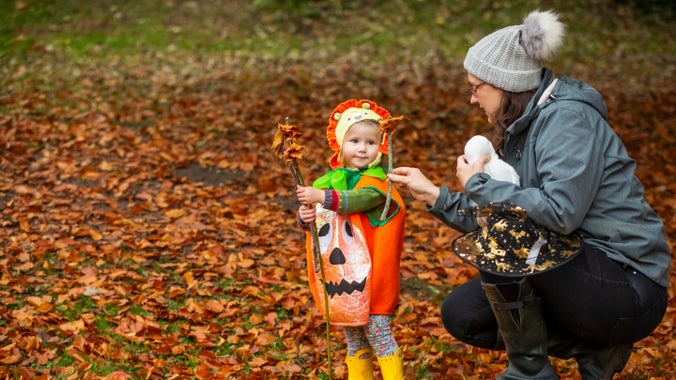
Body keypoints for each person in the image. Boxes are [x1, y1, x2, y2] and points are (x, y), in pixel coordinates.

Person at [388, 10, 669, 380]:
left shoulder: (567, 119)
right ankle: (594, 346)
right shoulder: (522, 128)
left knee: (508, 241)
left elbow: (560, 213)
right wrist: (436, 196)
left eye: (476, 87)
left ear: (504, 84)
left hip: (627, 284)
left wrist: (479, 186)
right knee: (464, 316)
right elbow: (507, 218)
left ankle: (530, 372)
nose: (472, 99)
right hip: (570, 267)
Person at [296, 99, 406, 380]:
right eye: (354, 140)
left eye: (370, 142)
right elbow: (320, 222)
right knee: (354, 338)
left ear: (379, 147)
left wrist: (323, 198)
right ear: (340, 144)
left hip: (373, 278)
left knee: (379, 334)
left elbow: (355, 201)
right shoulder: (328, 181)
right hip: (343, 276)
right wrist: (305, 216)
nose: (362, 148)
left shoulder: (379, 184)